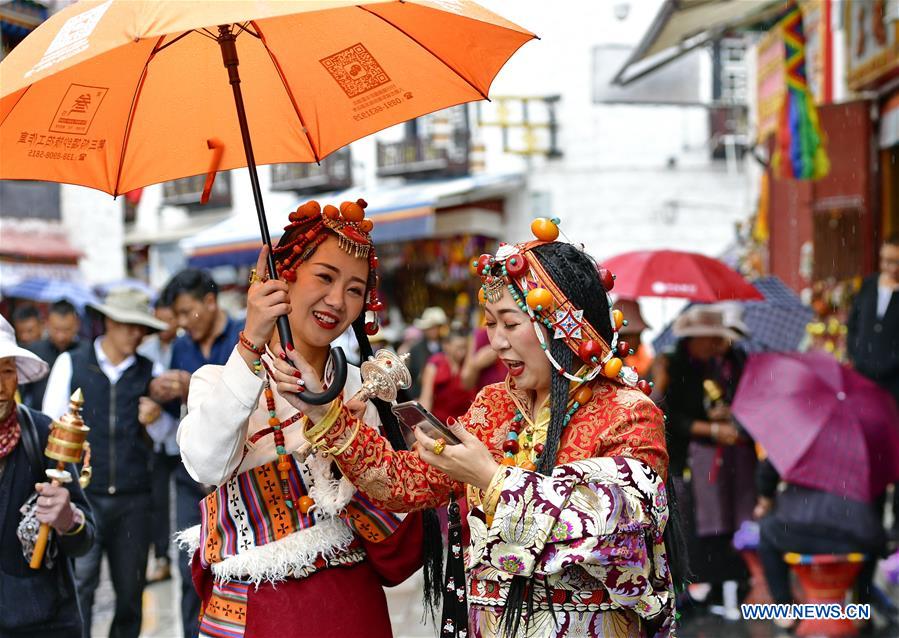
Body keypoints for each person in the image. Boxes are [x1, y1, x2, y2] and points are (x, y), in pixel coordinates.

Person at [285, 221, 680, 637]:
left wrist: (491, 480)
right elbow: (407, 483)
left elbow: (618, 533)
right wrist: (327, 414)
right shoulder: (495, 405)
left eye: (510, 323)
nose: (497, 342)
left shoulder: (628, 413)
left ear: (562, 326)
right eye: (491, 323)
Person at [176, 199, 436, 638]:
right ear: (282, 278)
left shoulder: (361, 389)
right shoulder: (220, 379)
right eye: (325, 277)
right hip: (255, 611)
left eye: (354, 289)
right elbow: (206, 465)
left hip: (347, 610)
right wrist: (252, 341)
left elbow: (399, 548)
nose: (336, 301)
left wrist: (347, 439)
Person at [42, 288, 167, 638]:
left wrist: (156, 418)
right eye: (130, 325)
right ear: (110, 322)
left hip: (134, 499)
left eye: (142, 328)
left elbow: (167, 439)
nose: (136, 334)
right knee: (79, 587)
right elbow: (50, 424)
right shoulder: (72, 362)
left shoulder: (150, 370)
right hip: (84, 498)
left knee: (130, 592)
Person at [153, 267, 243, 638]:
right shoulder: (181, 347)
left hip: (239, 473)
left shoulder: (244, 335)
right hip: (190, 476)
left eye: (186, 312)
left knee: (238, 565)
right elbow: (179, 413)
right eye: (176, 315)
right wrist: (161, 395)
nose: (181, 322)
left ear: (210, 301)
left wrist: (193, 384)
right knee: (190, 565)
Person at [653, 305, 754, 613]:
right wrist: (710, 428)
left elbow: (700, 406)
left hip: (702, 457)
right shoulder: (670, 364)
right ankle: (685, 593)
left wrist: (716, 416)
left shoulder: (710, 366)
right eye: (711, 339)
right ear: (695, 338)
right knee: (685, 524)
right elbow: (667, 415)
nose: (715, 345)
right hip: (677, 456)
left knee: (709, 524)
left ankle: (708, 588)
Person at [0, 315, 95, 638]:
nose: (1, 387)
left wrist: (68, 519)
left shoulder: (42, 433)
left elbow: (85, 537)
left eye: (7, 371)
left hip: (41, 622)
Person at [754, 457, 886, 630]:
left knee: (766, 532)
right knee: (873, 536)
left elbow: (768, 472)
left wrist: (765, 500)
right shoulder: (865, 448)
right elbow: (879, 494)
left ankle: (784, 608)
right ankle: (861, 606)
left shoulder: (799, 442)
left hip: (797, 531)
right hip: (852, 536)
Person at [847, 233, 899, 541]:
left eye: (895, 262)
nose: (890, 267)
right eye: (886, 260)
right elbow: (854, 325)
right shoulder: (868, 285)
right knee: (870, 453)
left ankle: (896, 528)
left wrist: (885, 365)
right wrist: (857, 356)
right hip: (864, 384)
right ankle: (871, 521)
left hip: (894, 387)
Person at [138, 299, 180, 583]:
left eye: (169, 319)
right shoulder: (146, 350)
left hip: (181, 433)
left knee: (188, 499)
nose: (164, 326)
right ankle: (162, 555)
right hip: (155, 438)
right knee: (158, 501)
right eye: (160, 320)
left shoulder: (184, 346)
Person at [21, 299, 83, 410]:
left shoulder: (85, 353)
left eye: (67, 330)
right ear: (47, 324)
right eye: (56, 329)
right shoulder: (34, 352)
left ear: (77, 325)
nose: (61, 336)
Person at [419, 327, 476, 425]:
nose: (462, 351)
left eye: (465, 347)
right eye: (458, 347)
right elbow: (426, 397)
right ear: (446, 345)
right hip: (440, 423)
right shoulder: (436, 363)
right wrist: (421, 421)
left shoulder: (468, 364)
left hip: (465, 422)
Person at [407, 306, 448, 399]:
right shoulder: (415, 350)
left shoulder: (447, 346)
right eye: (430, 327)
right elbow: (411, 377)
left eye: (435, 327)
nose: (433, 330)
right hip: (422, 394)